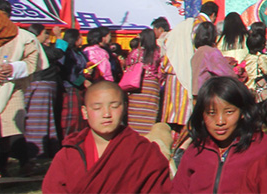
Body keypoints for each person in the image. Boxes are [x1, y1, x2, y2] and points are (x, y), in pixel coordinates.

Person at [42, 81, 172, 193]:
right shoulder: (69, 153)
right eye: (97, 108)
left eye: (114, 106)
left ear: (125, 108)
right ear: (85, 112)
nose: (106, 114)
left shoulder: (143, 152)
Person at [172, 76, 267, 193]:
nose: (220, 121)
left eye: (229, 112)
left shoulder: (262, 148)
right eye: (211, 113)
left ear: (243, 112)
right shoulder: (195, 151)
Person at [0, 1, 43, 176]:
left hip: (12, 89)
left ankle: (6, 167)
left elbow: (33, 61)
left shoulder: (23, 38)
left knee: (10, 130)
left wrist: (14, 68)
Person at [160, 1, 216, 129]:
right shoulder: (202, 27)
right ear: (213, 15)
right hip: (188, 74)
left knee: (173, 119)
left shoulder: (182, 25)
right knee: (187, 118)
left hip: (173, 73)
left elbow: (165, 46)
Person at [22, 24, 63, 156]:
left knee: (41, 118)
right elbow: (57, 53)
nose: (47, 36)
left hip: (38, 84)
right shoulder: (35, 47)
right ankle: (37, 149)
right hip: (40, 84)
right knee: (38, 119)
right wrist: (58, 37)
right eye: (45, 33)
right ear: (37, 34)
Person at [123, 29, 167, 135]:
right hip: (152, 86)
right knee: (150, 113)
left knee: (135, 113)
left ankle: (134, 136)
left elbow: (128, 66)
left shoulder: (136, 53)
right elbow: (161, 71)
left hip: (137, 85)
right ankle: (147, 136)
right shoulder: (157, 53)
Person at [191, 22, 234, 92]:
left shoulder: (198, 52)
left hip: (197, 94)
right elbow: (227, 73)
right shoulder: (210, 52)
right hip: (208, 95)